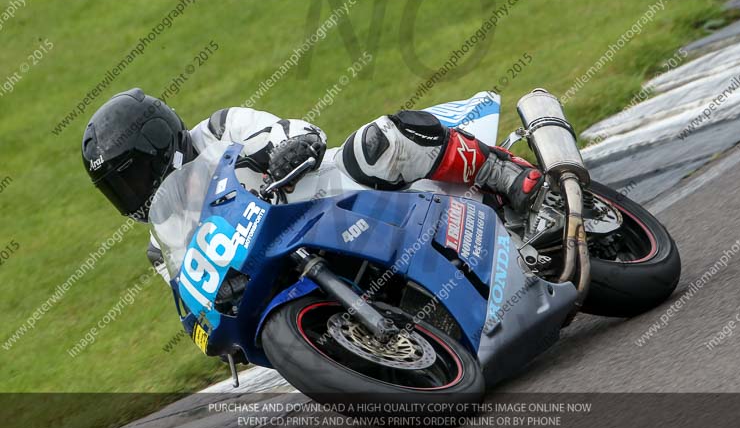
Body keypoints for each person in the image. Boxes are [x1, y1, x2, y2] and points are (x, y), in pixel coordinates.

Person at [81, 88, 542, 278]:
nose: (134, 193)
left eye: (133, 175)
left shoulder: (219, 130)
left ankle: (506, 174)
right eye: (117, 188)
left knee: (377, 143)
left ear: (159, 144)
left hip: (338, 195)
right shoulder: (163, 249)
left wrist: (288, 150)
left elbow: (300, 131)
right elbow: (200, 304)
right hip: (295, 266)